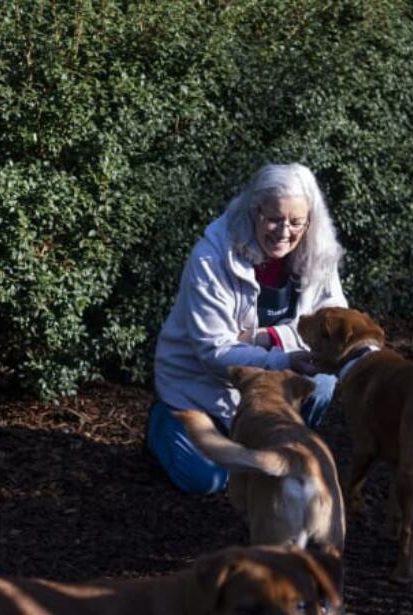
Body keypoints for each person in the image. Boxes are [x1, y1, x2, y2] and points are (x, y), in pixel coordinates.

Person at [148, 161, 348, 494]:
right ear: (253, 211)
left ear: (310, 221)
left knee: (322, 382)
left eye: (296, 221)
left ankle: (270, 445)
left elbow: (334, 317)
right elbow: (214, 351)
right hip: (203, 388)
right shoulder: (211, 259)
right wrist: (285, 358)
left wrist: (267, 337)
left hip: (268, 381)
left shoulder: (318, 252)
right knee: (208, 482)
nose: (284, 232)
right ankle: (161, 425)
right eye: (273, 218)